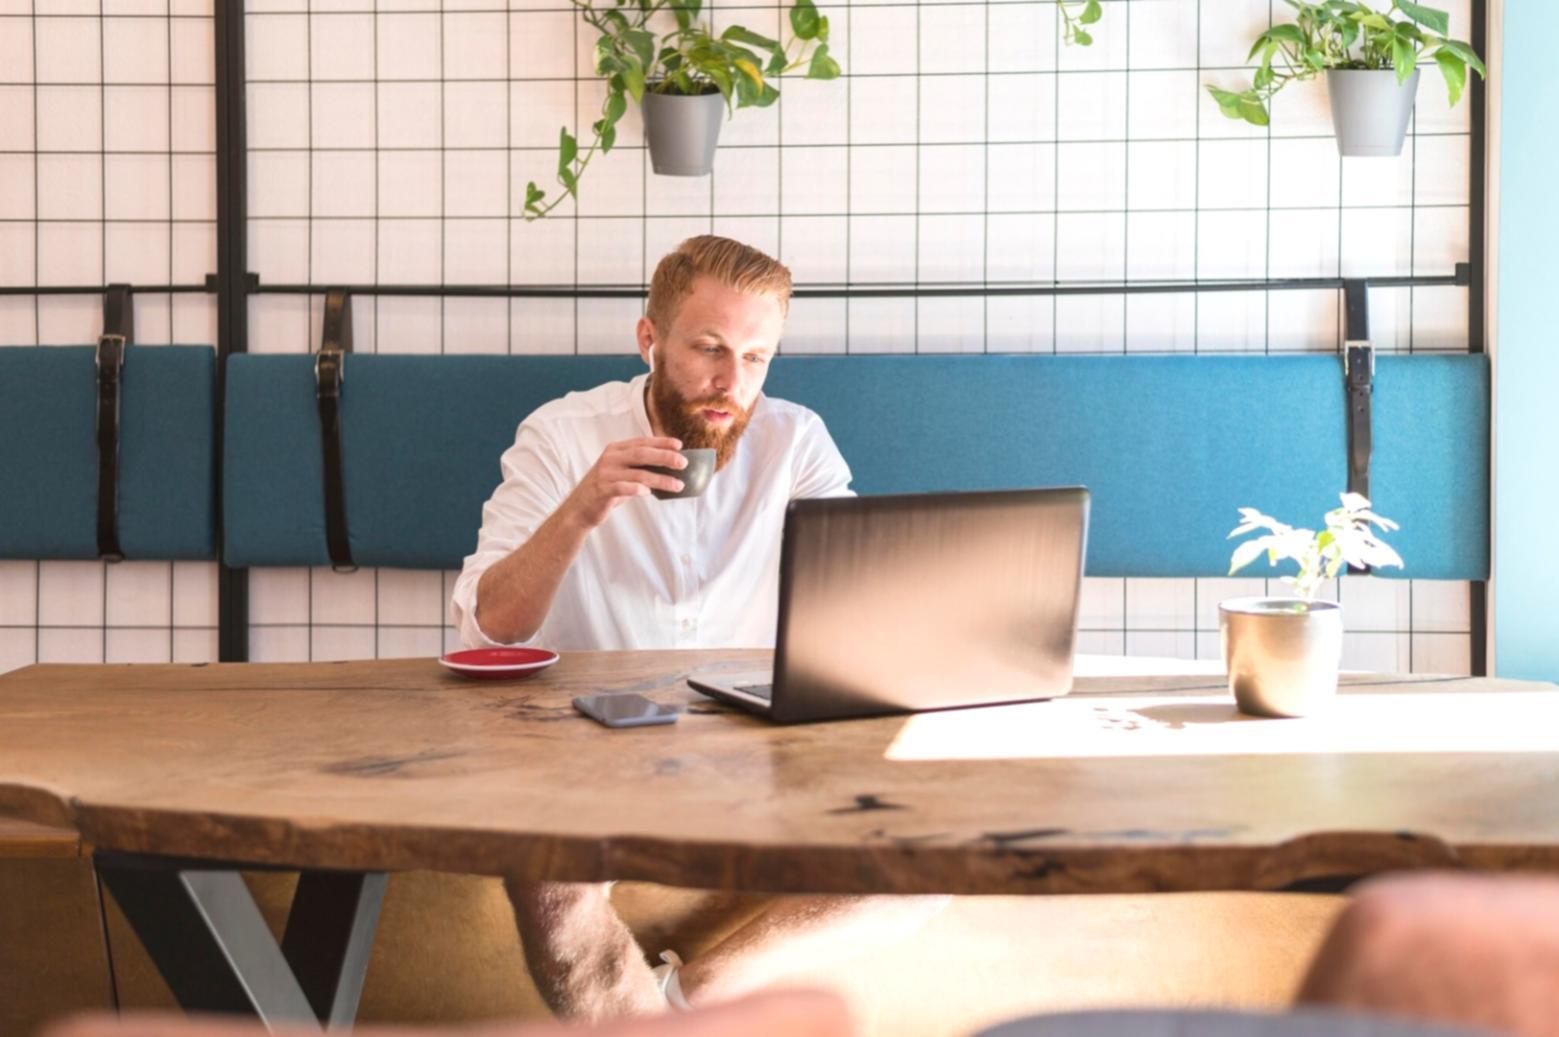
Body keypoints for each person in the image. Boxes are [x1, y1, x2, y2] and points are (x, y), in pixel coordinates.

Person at [450, 236, 948, 1021]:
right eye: (709, 349)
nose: (730, 382)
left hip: (758, 742)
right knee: (548, 875)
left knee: (935, 854)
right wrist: (582, 507)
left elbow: (863, 590)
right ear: (649, 339)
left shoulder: (795, 440)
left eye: (756, 357)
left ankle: (696, 996)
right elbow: (487, 630)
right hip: (587, 741)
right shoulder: (560, 433)